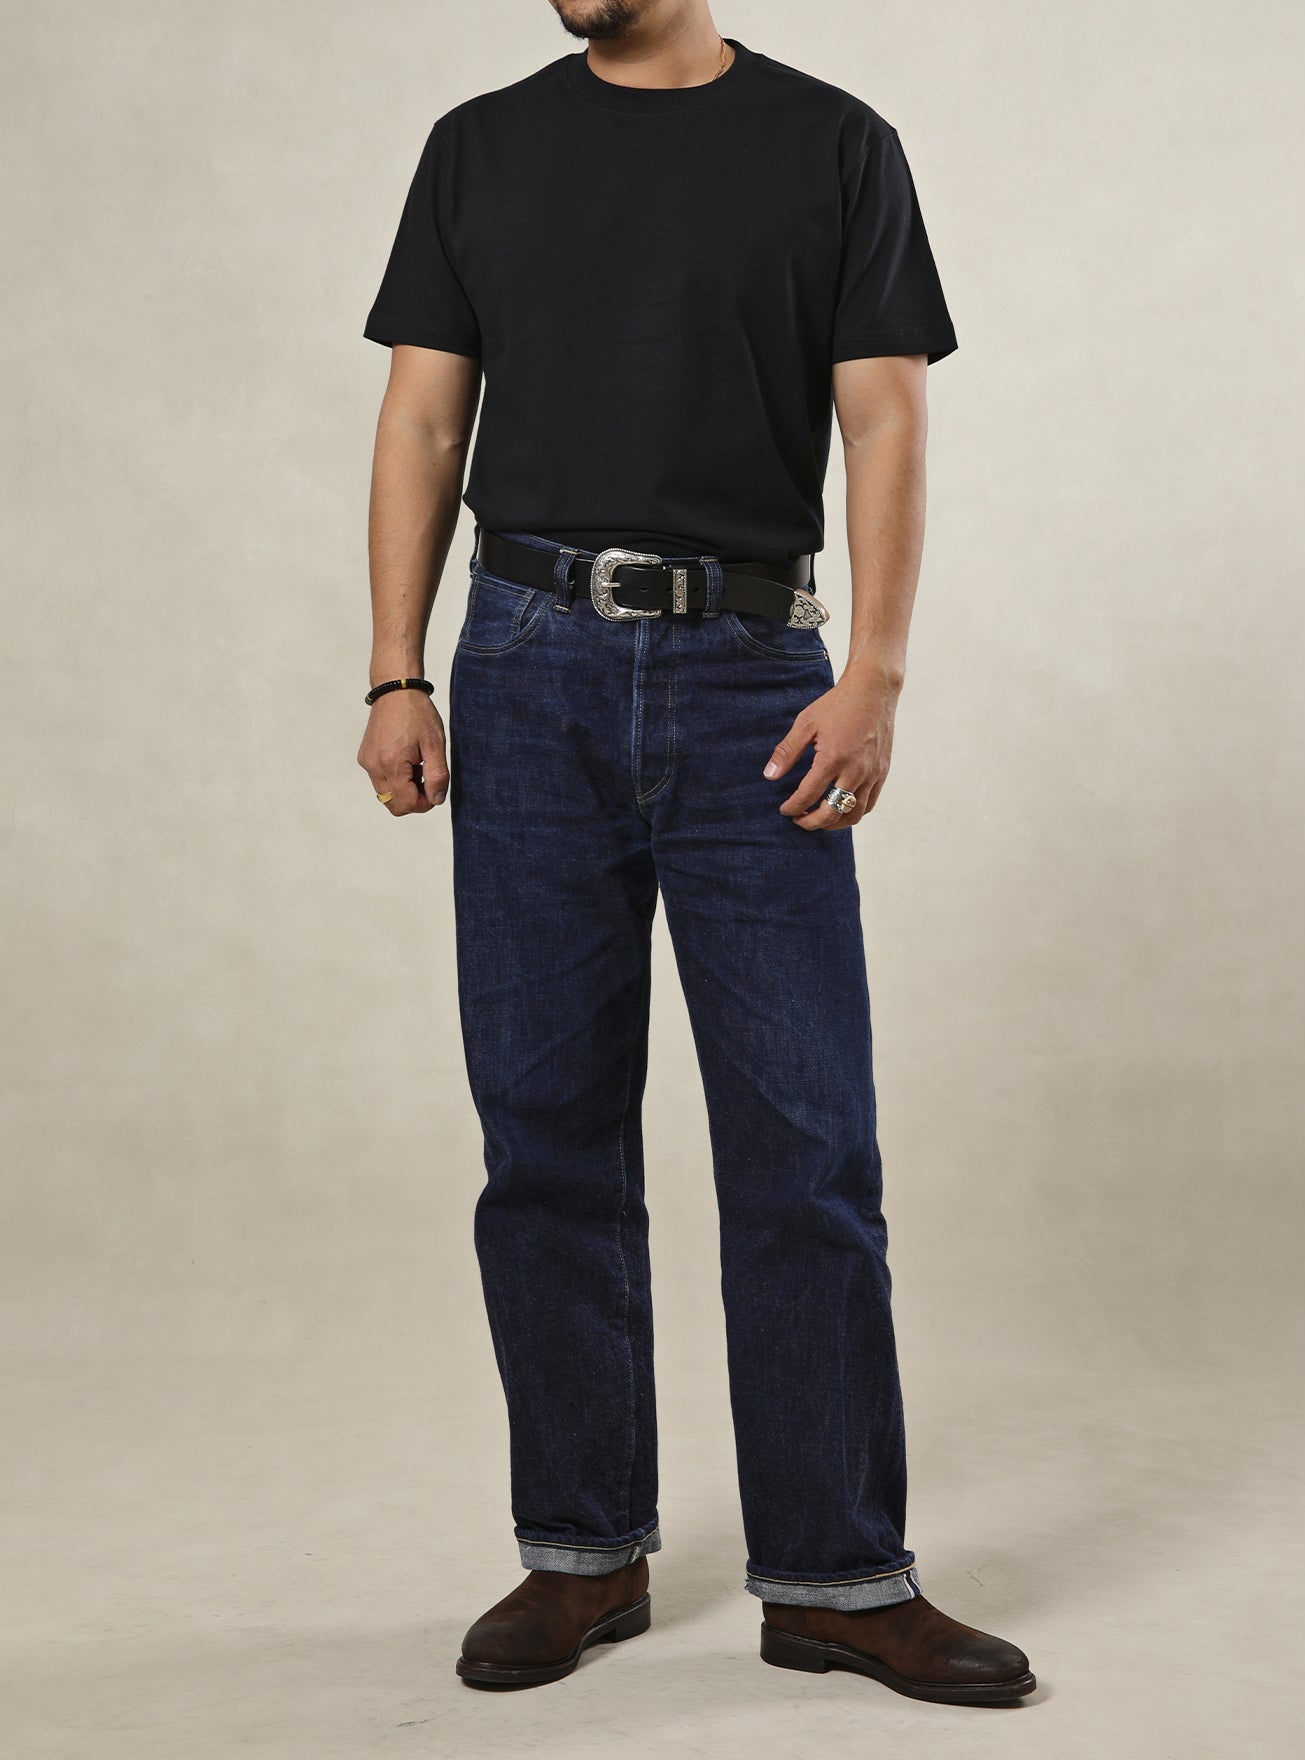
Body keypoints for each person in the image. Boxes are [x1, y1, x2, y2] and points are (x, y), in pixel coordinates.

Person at [358, 0, 1036, 1708]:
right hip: (527, 664)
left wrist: (876, 673)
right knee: (546, 1128)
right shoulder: (481, 149)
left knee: (806, 1138)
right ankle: (582, 1553)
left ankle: (838, 1580)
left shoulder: (834, 146)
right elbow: (425, 422)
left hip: (756, 680)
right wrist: (394, 670)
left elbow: (885, 419)